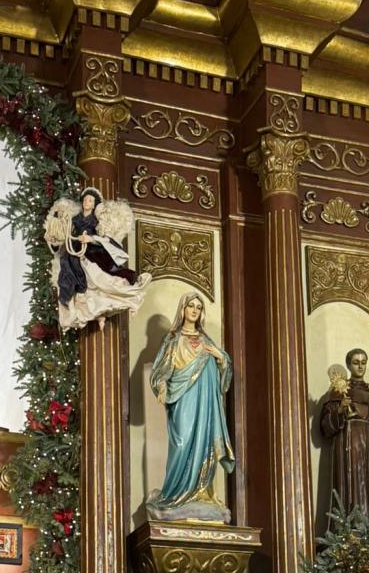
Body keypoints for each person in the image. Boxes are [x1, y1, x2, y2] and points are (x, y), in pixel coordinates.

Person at [147, 293, 235, 522]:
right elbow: (160, 369)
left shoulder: (206, 340)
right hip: (183, 400)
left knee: (204, 444)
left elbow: (224, 369)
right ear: (183, 309)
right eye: (191, 306)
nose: (194, 310)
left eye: (198, 307)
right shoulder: (173, 339)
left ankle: (201, 493)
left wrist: (221, 358)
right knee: (182, 441)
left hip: (205, 403)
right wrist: (162, 386)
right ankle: (175, 494)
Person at [45, 188, 150, 332]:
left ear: (94, 204)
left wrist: (91, 238)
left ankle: (118, 305)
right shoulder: (75, 219)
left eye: (90, 200)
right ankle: (89, 313)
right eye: (85, 200)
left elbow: (105, 238)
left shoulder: (96, 221)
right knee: (73, 275)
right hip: (75, 252)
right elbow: (65, 234)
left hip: (92, 253)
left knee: (102, 280)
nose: (87, 202)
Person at [318, 348, 369, 520]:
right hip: (347, 445)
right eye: (356, 362)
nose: (360, 366)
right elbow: (326, 426)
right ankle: (349, 524)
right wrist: (341, 409)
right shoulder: (338, 393)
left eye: (363, 362)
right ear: (349, 365)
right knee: (349, 483)